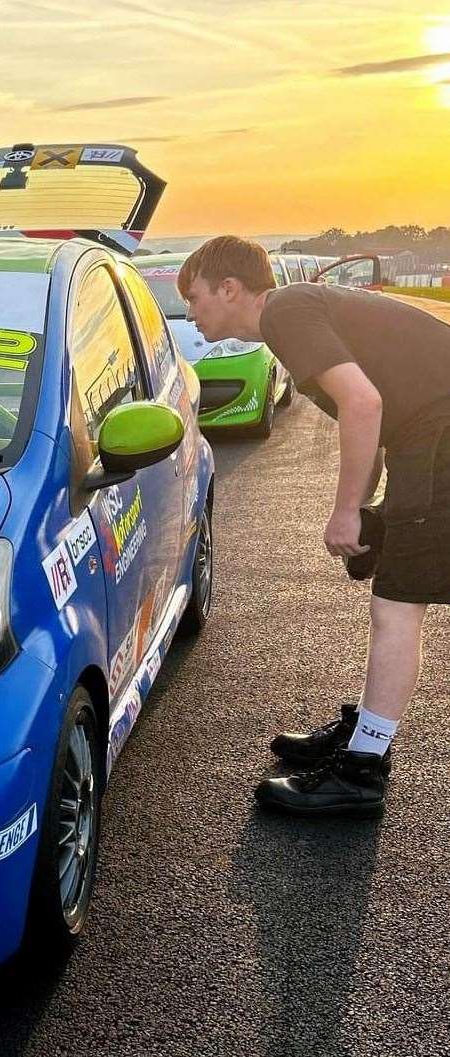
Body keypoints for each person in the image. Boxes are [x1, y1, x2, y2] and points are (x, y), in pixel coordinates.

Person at [177, 236, 450, 818]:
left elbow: (364, 405)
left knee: (398, 602)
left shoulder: (285, 312)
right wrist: (370, 498)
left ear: (230, 289)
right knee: (395, 599)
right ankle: (365, 737)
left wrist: (349, 509)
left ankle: (362, 771)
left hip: (440, 438)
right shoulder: (295, 311)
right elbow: (374, 415)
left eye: (194, 297)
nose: (191, 312)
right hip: (425, 438)